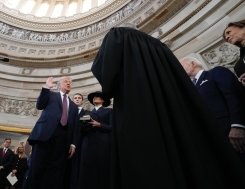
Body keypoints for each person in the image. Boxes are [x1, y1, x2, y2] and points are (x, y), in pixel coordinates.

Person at [91, 24, 245, 189]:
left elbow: (104, 70)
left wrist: (107, 95)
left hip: (139, 108)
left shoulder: (118, 35)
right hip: (173, 111)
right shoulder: (158, 45)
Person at [180, 56, 245, 163]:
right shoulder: (192, 88)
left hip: (234, 133)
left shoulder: (215, 73)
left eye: (181, 66)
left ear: (193, 64)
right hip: (217, 141)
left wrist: (237, 125)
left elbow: (233, 96)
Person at [27, 76, 78, 189]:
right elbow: (39, 105)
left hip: (63, 140)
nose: (68, 83)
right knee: (37, 168)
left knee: (55, 172)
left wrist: (73, 143)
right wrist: (46, 88)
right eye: (65, 81)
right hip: (45, 136)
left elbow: (75, 126)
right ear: (59, 85)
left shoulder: (74, 106)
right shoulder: (50, 95)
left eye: (70, 82)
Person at [78, 91, 113, 189]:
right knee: (87, 168)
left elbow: (113, 127)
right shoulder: (87, 112)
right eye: (94, 97)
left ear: (103, 100)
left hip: (103, 143)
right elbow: (81, 129)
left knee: (103, 167)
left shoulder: (109, 111)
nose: (95, 98)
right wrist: (84, 125)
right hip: (88, 142)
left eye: (97, 97)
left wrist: (100, 125)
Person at [69, 93, 85, 189]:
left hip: (80, 147)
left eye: (79, 98)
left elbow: (84, 129)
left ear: (82, 101)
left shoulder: (87, 113)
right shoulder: (67, 112)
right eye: (75, 98)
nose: (77, 99)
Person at [223, 19, 245, 86]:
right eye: (226, 38)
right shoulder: (238, 66)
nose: (227, 37)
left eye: (228, 32)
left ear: (243, 27)